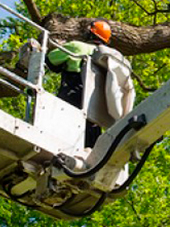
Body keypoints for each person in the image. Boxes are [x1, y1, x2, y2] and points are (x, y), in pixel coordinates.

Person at [46, 20, 134, 148]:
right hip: (94, 118)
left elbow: (50, 61)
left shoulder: (77, 47)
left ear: (89, 33)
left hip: (70, 105)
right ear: (106, 41)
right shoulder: (109, 60)